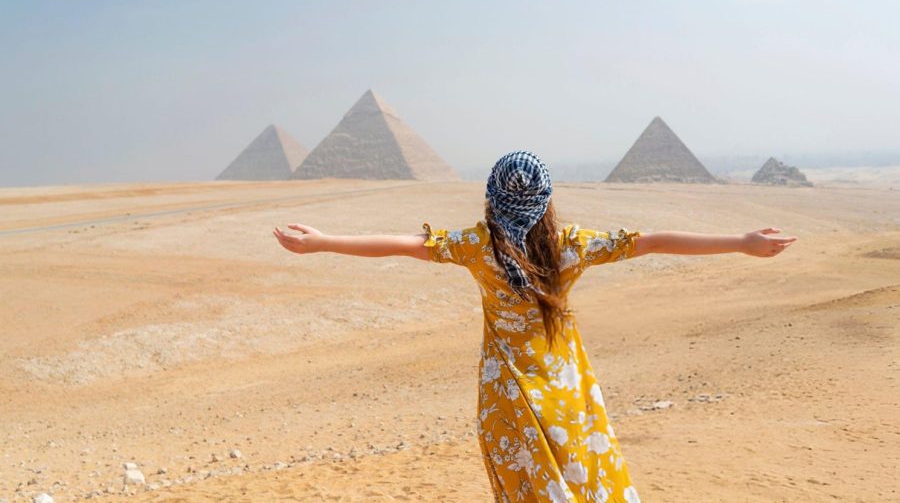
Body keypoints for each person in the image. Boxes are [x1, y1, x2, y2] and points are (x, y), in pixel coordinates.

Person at [273, 150, 797, 503]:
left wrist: (323, 242)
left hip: (506, 396)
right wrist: (742, 242)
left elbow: (403, 246)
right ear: (545, 199)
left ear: (492, 196)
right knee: (585, 482)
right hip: (567, 390)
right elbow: (654, 241)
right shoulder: (571, 245)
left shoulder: (476, 246)